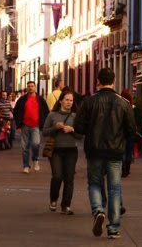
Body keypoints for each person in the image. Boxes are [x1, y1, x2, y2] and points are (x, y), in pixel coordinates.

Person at [74, 68, 136, 239]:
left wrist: (91, 129)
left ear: (97, 82)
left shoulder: (89, 101)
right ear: (114, 81)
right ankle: (114, 227)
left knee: (94, 183)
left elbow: (78, 127)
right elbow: (132, 130)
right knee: (115, 187)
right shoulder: (123, 103)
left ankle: (98, 210)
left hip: (94, 150)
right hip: (116, 151)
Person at [42, 87, 83, 215]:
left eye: (71, 100)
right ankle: (53, 199)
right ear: (60, 101)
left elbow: (80, 136)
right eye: (66, 100)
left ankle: (66, 205)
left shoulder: (76, 116)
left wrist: (72, 130)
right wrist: (55, 127)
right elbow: (44, 132)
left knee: (69, 178)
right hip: (55, 150)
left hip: (71, 150)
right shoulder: (52, 115)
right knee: (57, 176)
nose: (69, 102)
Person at [12, 80, 48, 173]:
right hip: (25, 126)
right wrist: (18, 122)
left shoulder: (40, 99)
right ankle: (26, 166)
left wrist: (43, 122)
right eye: (29, 86)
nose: (30, 88)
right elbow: (15, 111)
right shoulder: (22, 99)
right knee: (25, 147)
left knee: (36, 144)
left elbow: (46, 111)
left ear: (35, 87)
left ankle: (35, 159)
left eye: (32, 86)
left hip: (36, 126)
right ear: (27, 88)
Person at [120, 88, 135, 178]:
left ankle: (124, 169)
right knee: (129, 151)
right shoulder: (132, 106)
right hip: (131, 132)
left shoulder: (120, 105)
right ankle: (127, 169)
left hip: (122, 132)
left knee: (123, 151)